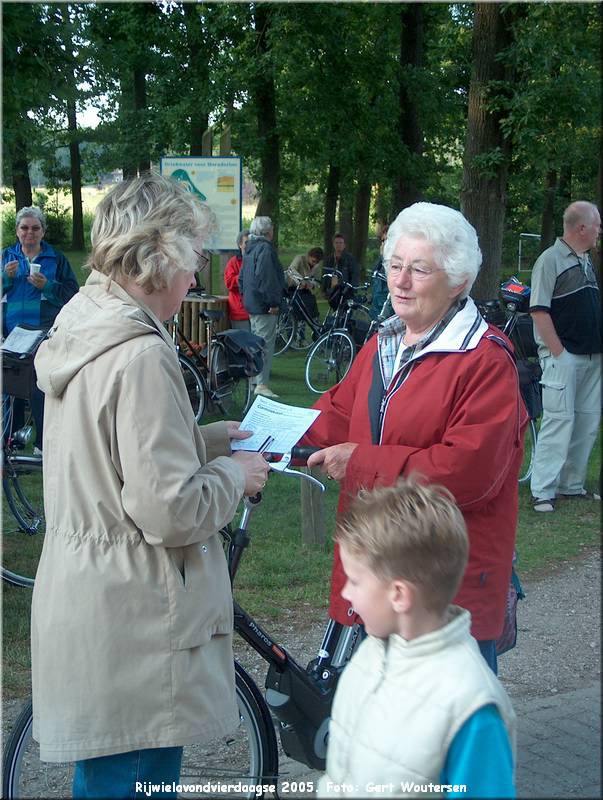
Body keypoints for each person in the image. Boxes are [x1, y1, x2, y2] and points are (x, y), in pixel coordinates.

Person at [31, 174, 270, 798]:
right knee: (133, 779)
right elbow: (169, 509)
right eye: (193, 257)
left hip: (93, 599)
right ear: (158, 253)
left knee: (108, 778)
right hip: (134, 618)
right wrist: (233, 475)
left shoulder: (86, 321)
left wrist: (207, 439)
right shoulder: (139, 354)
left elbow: (109, 456)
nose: (198, 276)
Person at [303, 202, 528, 674]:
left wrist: (361, 463)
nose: (400, 281)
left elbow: (465, 473)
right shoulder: (384, 342)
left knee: (441, 733)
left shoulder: (485, 362)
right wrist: (261, 436)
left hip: (443, 590)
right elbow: (338, 414)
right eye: (395, 265)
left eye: (419, 269)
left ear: (459, 282)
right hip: (378, 574)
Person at [318, 479, 516, 798]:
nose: (346, 592)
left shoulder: (470, 706)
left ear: (399, 595)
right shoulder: (372, 654)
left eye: (354, 580)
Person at [529, 201, 602, 512]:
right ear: (582, 228)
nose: (600, 231)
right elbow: (538, 310)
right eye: (598, 225)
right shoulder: (550, 260)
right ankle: (542, 491)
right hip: (564, 356)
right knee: (559, 421)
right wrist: (558, 352)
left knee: (586, 422)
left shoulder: (586, 261)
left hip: (592, 356)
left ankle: (571, 486)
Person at [2, 206, 79, 452]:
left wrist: (48, 286)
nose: (29, 233)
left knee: (39, 385)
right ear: (17, 231)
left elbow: (72, 295)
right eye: (24, 228)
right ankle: (11, 441)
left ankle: (42, 443)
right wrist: (5, 278)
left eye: (35, 228)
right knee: (10, 386)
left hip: (44, 332)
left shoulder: (56, 259)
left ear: (43, 231)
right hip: (12, 332)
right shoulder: (6, 257)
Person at [239, 215, 285, 399]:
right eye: (272, 228)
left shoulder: (250, 249)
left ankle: (254, 381)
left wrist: (246, 297)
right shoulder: (265, 249)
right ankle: (261, 383)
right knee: (264, 344)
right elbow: (267, 278)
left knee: (256, 343)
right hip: (263, 305)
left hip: (252, 304)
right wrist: (273, 302)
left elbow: (242, 278)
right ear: (268, 231)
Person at [285, 247, 323, 343]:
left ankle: (306, 336)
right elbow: (291, 270)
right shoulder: (300, 259)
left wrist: (311, 285)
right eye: (313, 261)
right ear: (309, 256)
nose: (314, 263)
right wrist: (301, 281)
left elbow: (317, 281)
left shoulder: (316, 266)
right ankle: (292, 338)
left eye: (316, 262)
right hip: (293, 289)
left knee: (309, 310)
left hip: (305, 291)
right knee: (294, 312)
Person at [322, 233, 360, 310]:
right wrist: (324, 289)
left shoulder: (350, 259)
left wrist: (352, 290)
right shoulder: (329, 259)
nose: (338, 245)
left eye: (340, 243)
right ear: (333, 244)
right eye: (336, 243)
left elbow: (355, 275)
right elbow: (325, 274)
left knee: (345, 314)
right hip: (332, 292)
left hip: (345, 292)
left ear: (344, 245)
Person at [224, 228, 250, 331]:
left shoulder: (256, 260)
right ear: (240, 245)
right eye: (246, 242)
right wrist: (244, 277)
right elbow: (229, 283)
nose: (249, 245)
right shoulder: (233, 262)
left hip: (255, 311)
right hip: (240, 312)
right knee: (242, 345)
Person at [369, 225, 390, 321]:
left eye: (385, 241)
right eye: (382, 241)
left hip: (385, 307)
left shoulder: (393, 261)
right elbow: (374, 274)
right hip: (376, 305)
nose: (383, 244)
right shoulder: (381, 260)